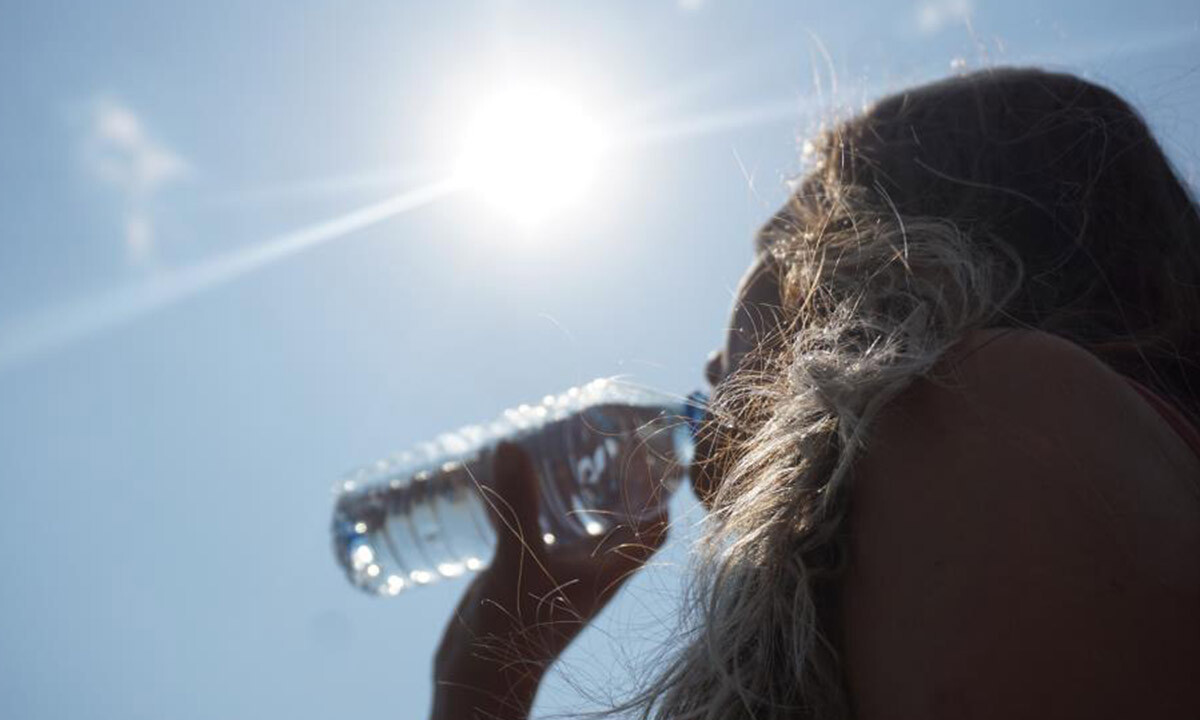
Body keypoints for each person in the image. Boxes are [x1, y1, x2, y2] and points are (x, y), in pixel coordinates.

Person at [429, 67, 1200, 720]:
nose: (709, 355)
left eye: (774, 242)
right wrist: (491, 666)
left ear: (859, 260)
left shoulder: (991, 408)